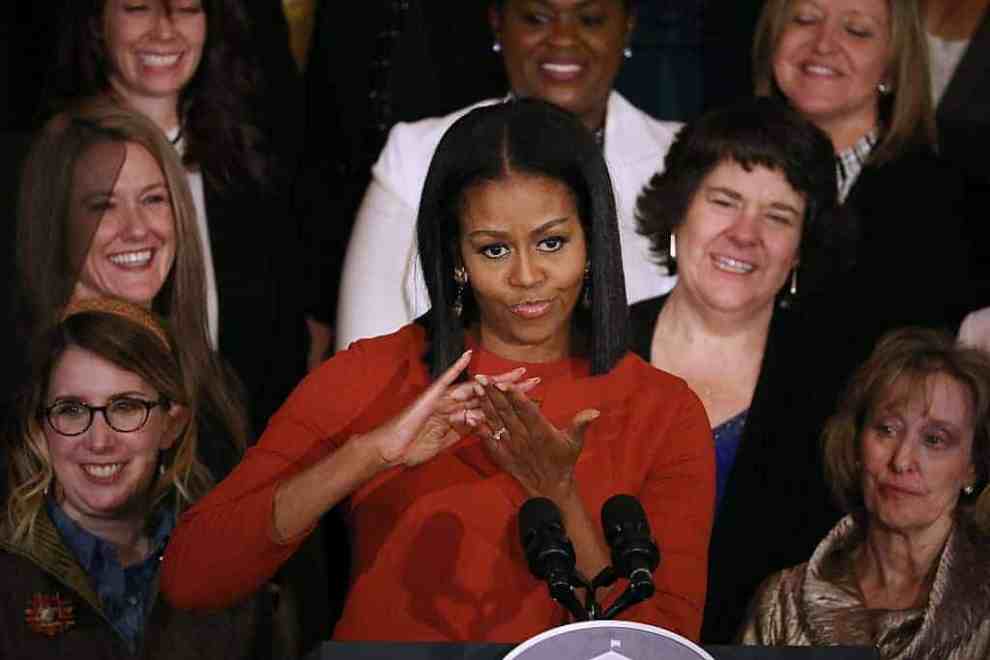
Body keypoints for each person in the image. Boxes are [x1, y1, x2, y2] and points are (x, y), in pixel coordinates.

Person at [160, 100, 716, 642]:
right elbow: (192, 577)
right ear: (455, 256)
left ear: (592, 239)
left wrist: (557, 492)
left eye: (551, 242)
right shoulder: (370, 376)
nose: (528, 275)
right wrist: (367, 454)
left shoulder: (663, 409)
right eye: (494, 250)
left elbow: (664, 644)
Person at [335, 0, 683, 351]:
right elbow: (363, 356)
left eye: (590, 20)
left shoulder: (683, 159)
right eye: (537, 18)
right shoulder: (415, 154)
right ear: (498, 23)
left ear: (627, 27)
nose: (563, 39)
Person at [45, 0, 321, 433]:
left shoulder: (246, 161)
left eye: (187, 8)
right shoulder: (55, 160)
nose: (165, 30)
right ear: (98, 24)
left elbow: (280, 348)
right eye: (138, 8)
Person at [630, 97, 848, 643]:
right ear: (679, 210)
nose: (745, 234)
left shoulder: (841, 390)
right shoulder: (588, 347)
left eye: (778, 216)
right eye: (725, 201)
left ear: (800, 248)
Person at [0, 299, 261, 658]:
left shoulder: (225, 570)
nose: (99, 440)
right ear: (41, 427)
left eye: (125, 407)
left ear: (172, 425)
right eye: (71, 410)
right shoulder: (9, 579)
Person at [14, 105, 249, 482]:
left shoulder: (207, 377)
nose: (137, 229)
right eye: (103, 206)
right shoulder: (27, 390)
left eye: (153, 199)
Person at [740, 327, 990, 658]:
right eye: (886, 430)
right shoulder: (783, 600)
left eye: (934, 440)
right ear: (857, 444)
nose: (902, 461)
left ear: (972, 466)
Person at [752, 0, 972, 374]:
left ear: (892, 64)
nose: (823, 43)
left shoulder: (945, 201)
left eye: (856, 30)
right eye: (806, 19)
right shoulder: (719, 159)